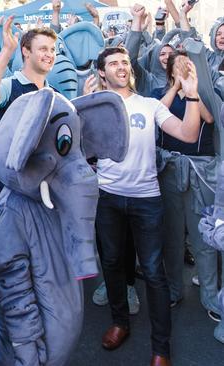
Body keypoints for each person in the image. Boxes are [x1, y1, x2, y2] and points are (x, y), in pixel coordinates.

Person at [94, 46, 202, 366]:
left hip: (146, 199)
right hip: (107, 198)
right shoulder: (96, 106)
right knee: (112, 263)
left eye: (125, 62)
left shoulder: (151, 105)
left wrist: (192, 96)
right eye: (113, 63)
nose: (121, 67)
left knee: (154, 272)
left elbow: (187, 132)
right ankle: (120, 323)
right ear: (102, 72)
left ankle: (161, 348)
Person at [152, 50, 220, 318]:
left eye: (186, 65)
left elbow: (209, 118)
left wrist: (192, 90)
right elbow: (158, 111)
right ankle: (173, 290)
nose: (182, 69)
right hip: (169, 169)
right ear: (169, 71)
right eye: (176, 66)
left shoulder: (206, 91)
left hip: (199, 172)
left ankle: (211, 298)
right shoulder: (160, 93)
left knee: (203, 237)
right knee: (171, 235)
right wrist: (175, 86)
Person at [0, 10, 56, 122]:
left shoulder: (55, 94)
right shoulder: (9, 86)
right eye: (43, 49)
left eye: (52, 50)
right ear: (26, 51)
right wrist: (7, 49)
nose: (49, 55)